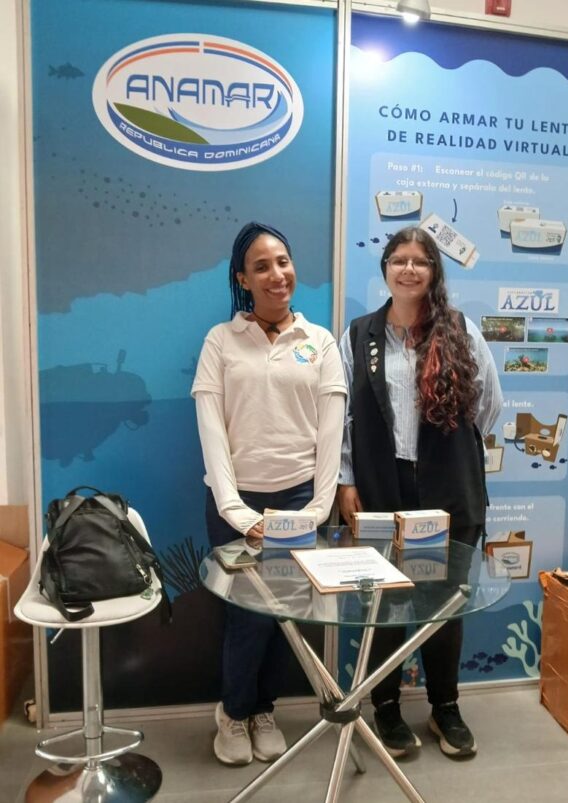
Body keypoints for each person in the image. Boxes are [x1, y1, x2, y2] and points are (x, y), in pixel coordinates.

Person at [337, 226, 502, 759]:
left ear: (434, 271)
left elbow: (488, 406)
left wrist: (446, 450)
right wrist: (346, 479)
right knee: (385, 602)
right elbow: (342, 417)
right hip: (382, 487)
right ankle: (385, 707)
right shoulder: (358, 336)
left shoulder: (460, 330)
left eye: (421, 261)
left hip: (447, 488)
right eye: (399, 260)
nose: (409, 269)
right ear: (385, 268)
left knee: (444, 603)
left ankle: (444, 707)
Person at [192, 222, 346, 766]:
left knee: (286, 614)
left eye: (283, 261)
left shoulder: (319, 342)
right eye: (261, 266)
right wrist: (237, 512)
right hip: (235, 503)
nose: (277, 274)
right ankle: (234, 713)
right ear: (243, 279)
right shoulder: (220, 341)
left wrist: (317, 510)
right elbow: (211, 431)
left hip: (301, 500)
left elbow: (331, 434)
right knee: (246, 615)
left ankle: (264, 710)